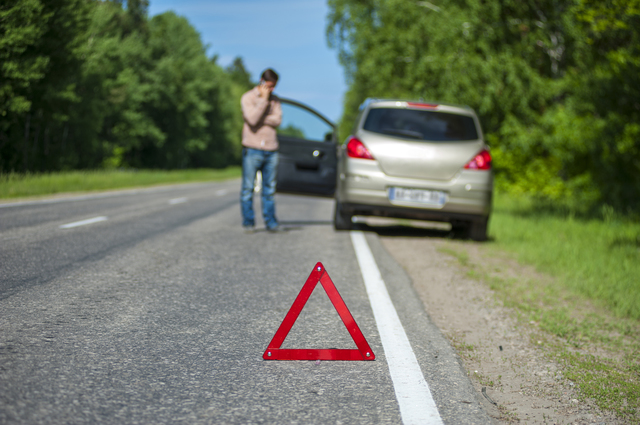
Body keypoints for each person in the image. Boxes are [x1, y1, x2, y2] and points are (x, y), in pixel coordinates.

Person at [240, 68, 283, 232]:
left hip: (271, 149)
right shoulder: (248, 97)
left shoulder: (276, 100)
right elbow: (251, 119)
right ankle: (249, 222)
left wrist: (262, 117)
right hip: (252, 148)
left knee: (269, 190)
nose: (272, 90)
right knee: (247, 188)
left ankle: (271, 222)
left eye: (274, 87)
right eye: (269, 86)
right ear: (261, 81)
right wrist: (264, 101)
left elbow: (277, 120)